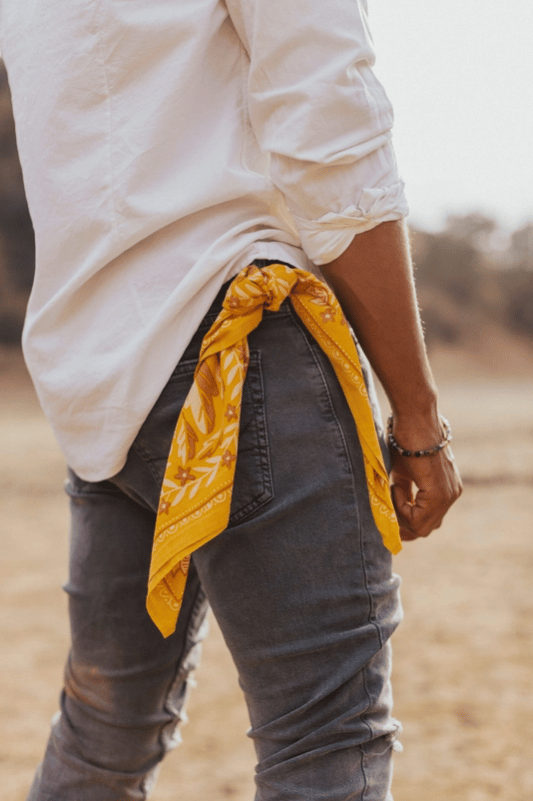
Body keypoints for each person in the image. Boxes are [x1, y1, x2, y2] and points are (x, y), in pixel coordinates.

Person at [0, 0, 462, 798]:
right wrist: (417, 416)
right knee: (326, 744)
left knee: (101, 735)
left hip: (103, 373)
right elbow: (331, 136)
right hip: (240, 350)